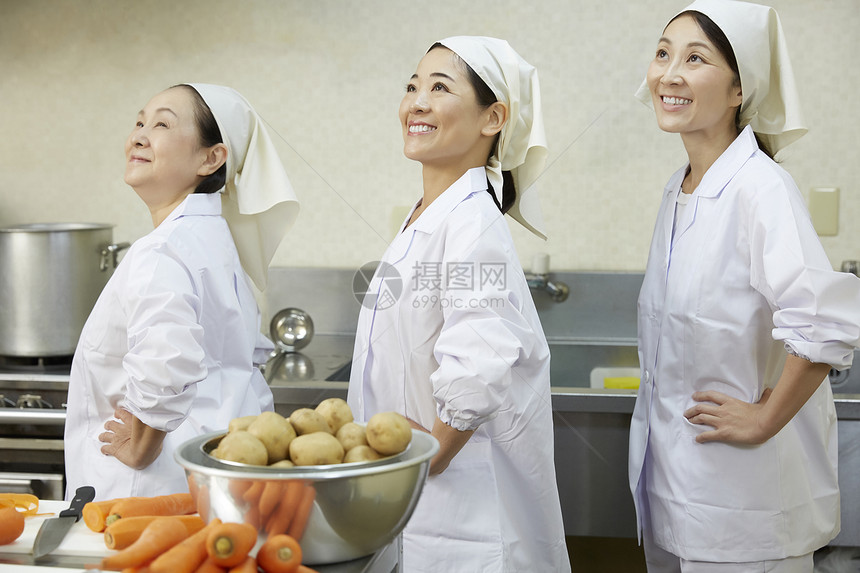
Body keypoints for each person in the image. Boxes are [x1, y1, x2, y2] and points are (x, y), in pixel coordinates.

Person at [628, 0, 860, 571]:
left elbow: (824, 321)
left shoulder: (760, 188)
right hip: (683, 488)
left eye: (696, 58)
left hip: (746, 502)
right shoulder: (679, 186)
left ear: (738, 91)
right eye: (663, 53)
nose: (670, 73)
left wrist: (764, 417)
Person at [346, 36, 570, 572]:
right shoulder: (429, 215)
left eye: (440, 87)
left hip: (464, 524)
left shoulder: (472, 222)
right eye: (412, 86)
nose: (417, 102)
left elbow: (481, 354)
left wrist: (435, 454)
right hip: (416, 505)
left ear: (493, 117)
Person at [64, 84, 299, 500]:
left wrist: (139, 445)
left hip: (149, 490)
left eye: (162, 124)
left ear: (211, 158)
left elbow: (167, 360)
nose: (138, 134)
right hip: (211, 476)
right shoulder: (212, 238)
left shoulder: (164, 249)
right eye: (140, 121)